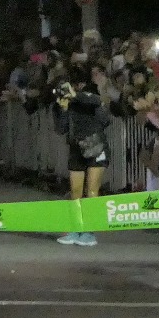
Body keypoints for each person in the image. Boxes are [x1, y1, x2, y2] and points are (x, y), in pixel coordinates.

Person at [52, 71, 111, 248]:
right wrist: (63, 109)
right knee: (75, 191)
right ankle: (75, 228)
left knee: (92, 191)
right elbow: (61, 129)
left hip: (96, 148)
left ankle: (89, 232)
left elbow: (97, 102)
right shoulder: (59, 105)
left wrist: (75, 96)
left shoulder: (86, 97)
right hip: (76, 150)